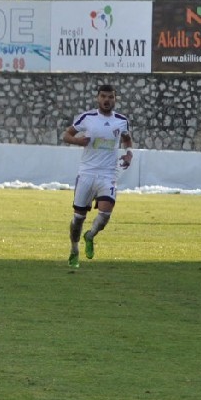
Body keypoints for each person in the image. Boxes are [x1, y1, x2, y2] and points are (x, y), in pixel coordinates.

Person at [62, 83, 134, 268]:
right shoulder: (87, 118)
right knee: (78, 219)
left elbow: (126, 139)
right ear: (98, 98)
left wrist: (129, 153)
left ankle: (91, 235)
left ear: (115, 99)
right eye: (103, 96)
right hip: (87, 173)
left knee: (105, 214)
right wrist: (78, 141)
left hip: (108, 173)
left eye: (110, 97)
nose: (106, 100)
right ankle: (74, 249)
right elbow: (66, 135)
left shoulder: (121, 120)